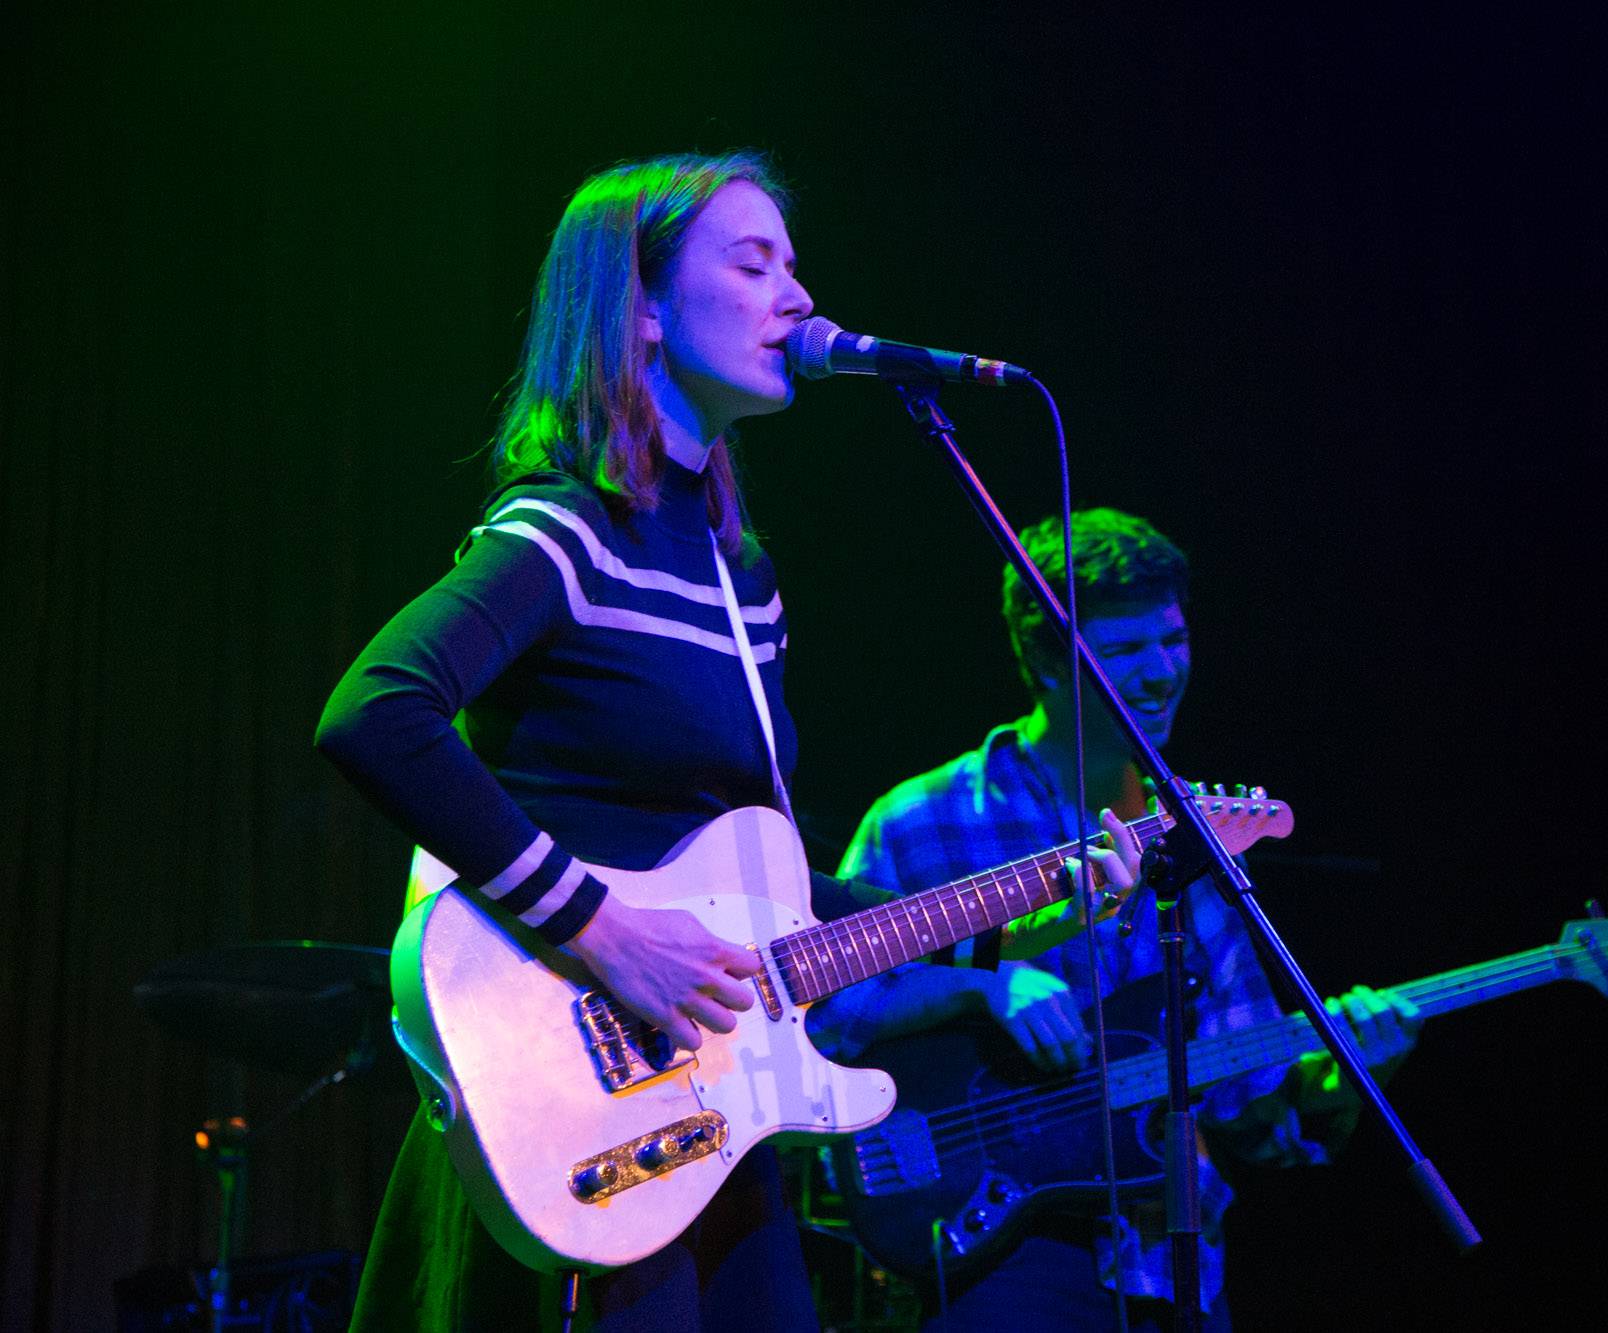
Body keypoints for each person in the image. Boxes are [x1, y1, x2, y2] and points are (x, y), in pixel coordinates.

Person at [315, 153, 1139, 1332]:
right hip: (572, 1106)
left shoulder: (741, 577)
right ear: (640, 311)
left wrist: (1027, 902)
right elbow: (375, 710)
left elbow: (768, 890)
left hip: (708, 1113)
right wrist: (600, 930)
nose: (796, 298)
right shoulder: (563, 530)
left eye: (792, 267)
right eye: (752, 265)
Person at [808, 508, 1422, 1331]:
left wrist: (1350, 1073)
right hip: (997, 1254)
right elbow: (826, 1019)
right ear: (1044, 660)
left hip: (1171, 1266)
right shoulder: (922, 821)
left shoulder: (1200, 834)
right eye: (1126, 649)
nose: (1163, 670)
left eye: (1173, 639)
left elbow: (1252, 1111)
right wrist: (981, 986)